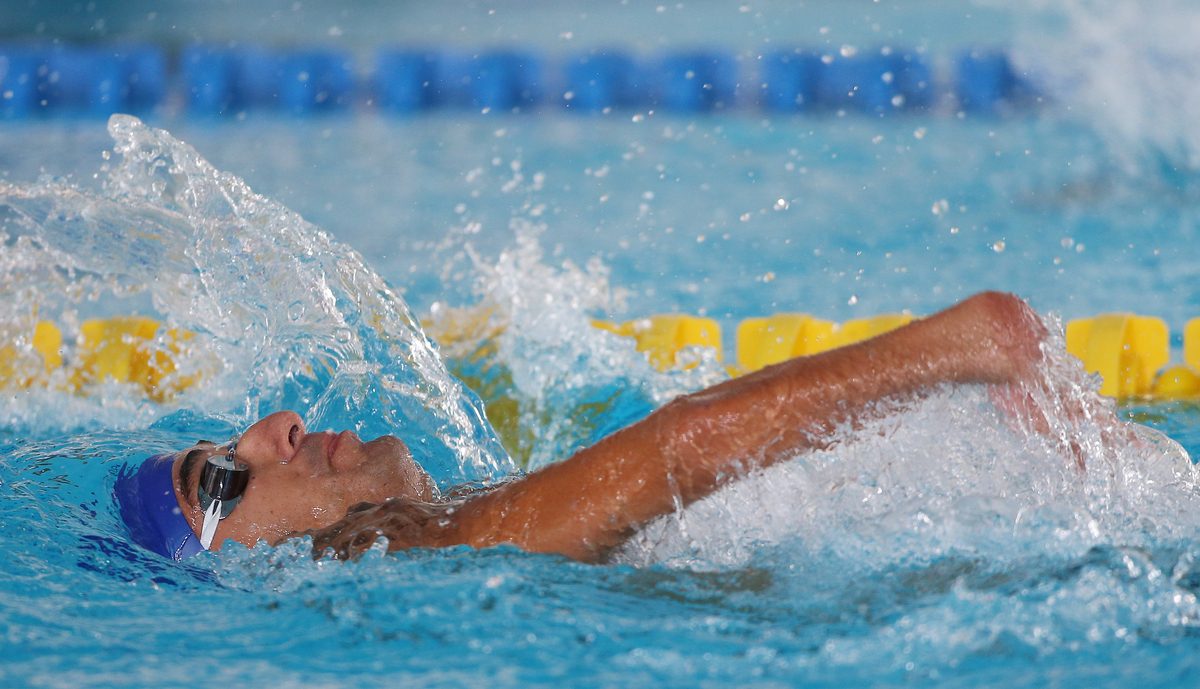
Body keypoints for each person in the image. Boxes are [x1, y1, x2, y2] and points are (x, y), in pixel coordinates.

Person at [116, 291, 1050, 563]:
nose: (277, 426)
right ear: (255, 563)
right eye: (225, 480)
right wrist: (968, 343)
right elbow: (683, 445)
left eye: (228, 441)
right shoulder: (459, 546)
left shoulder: (471, 520)